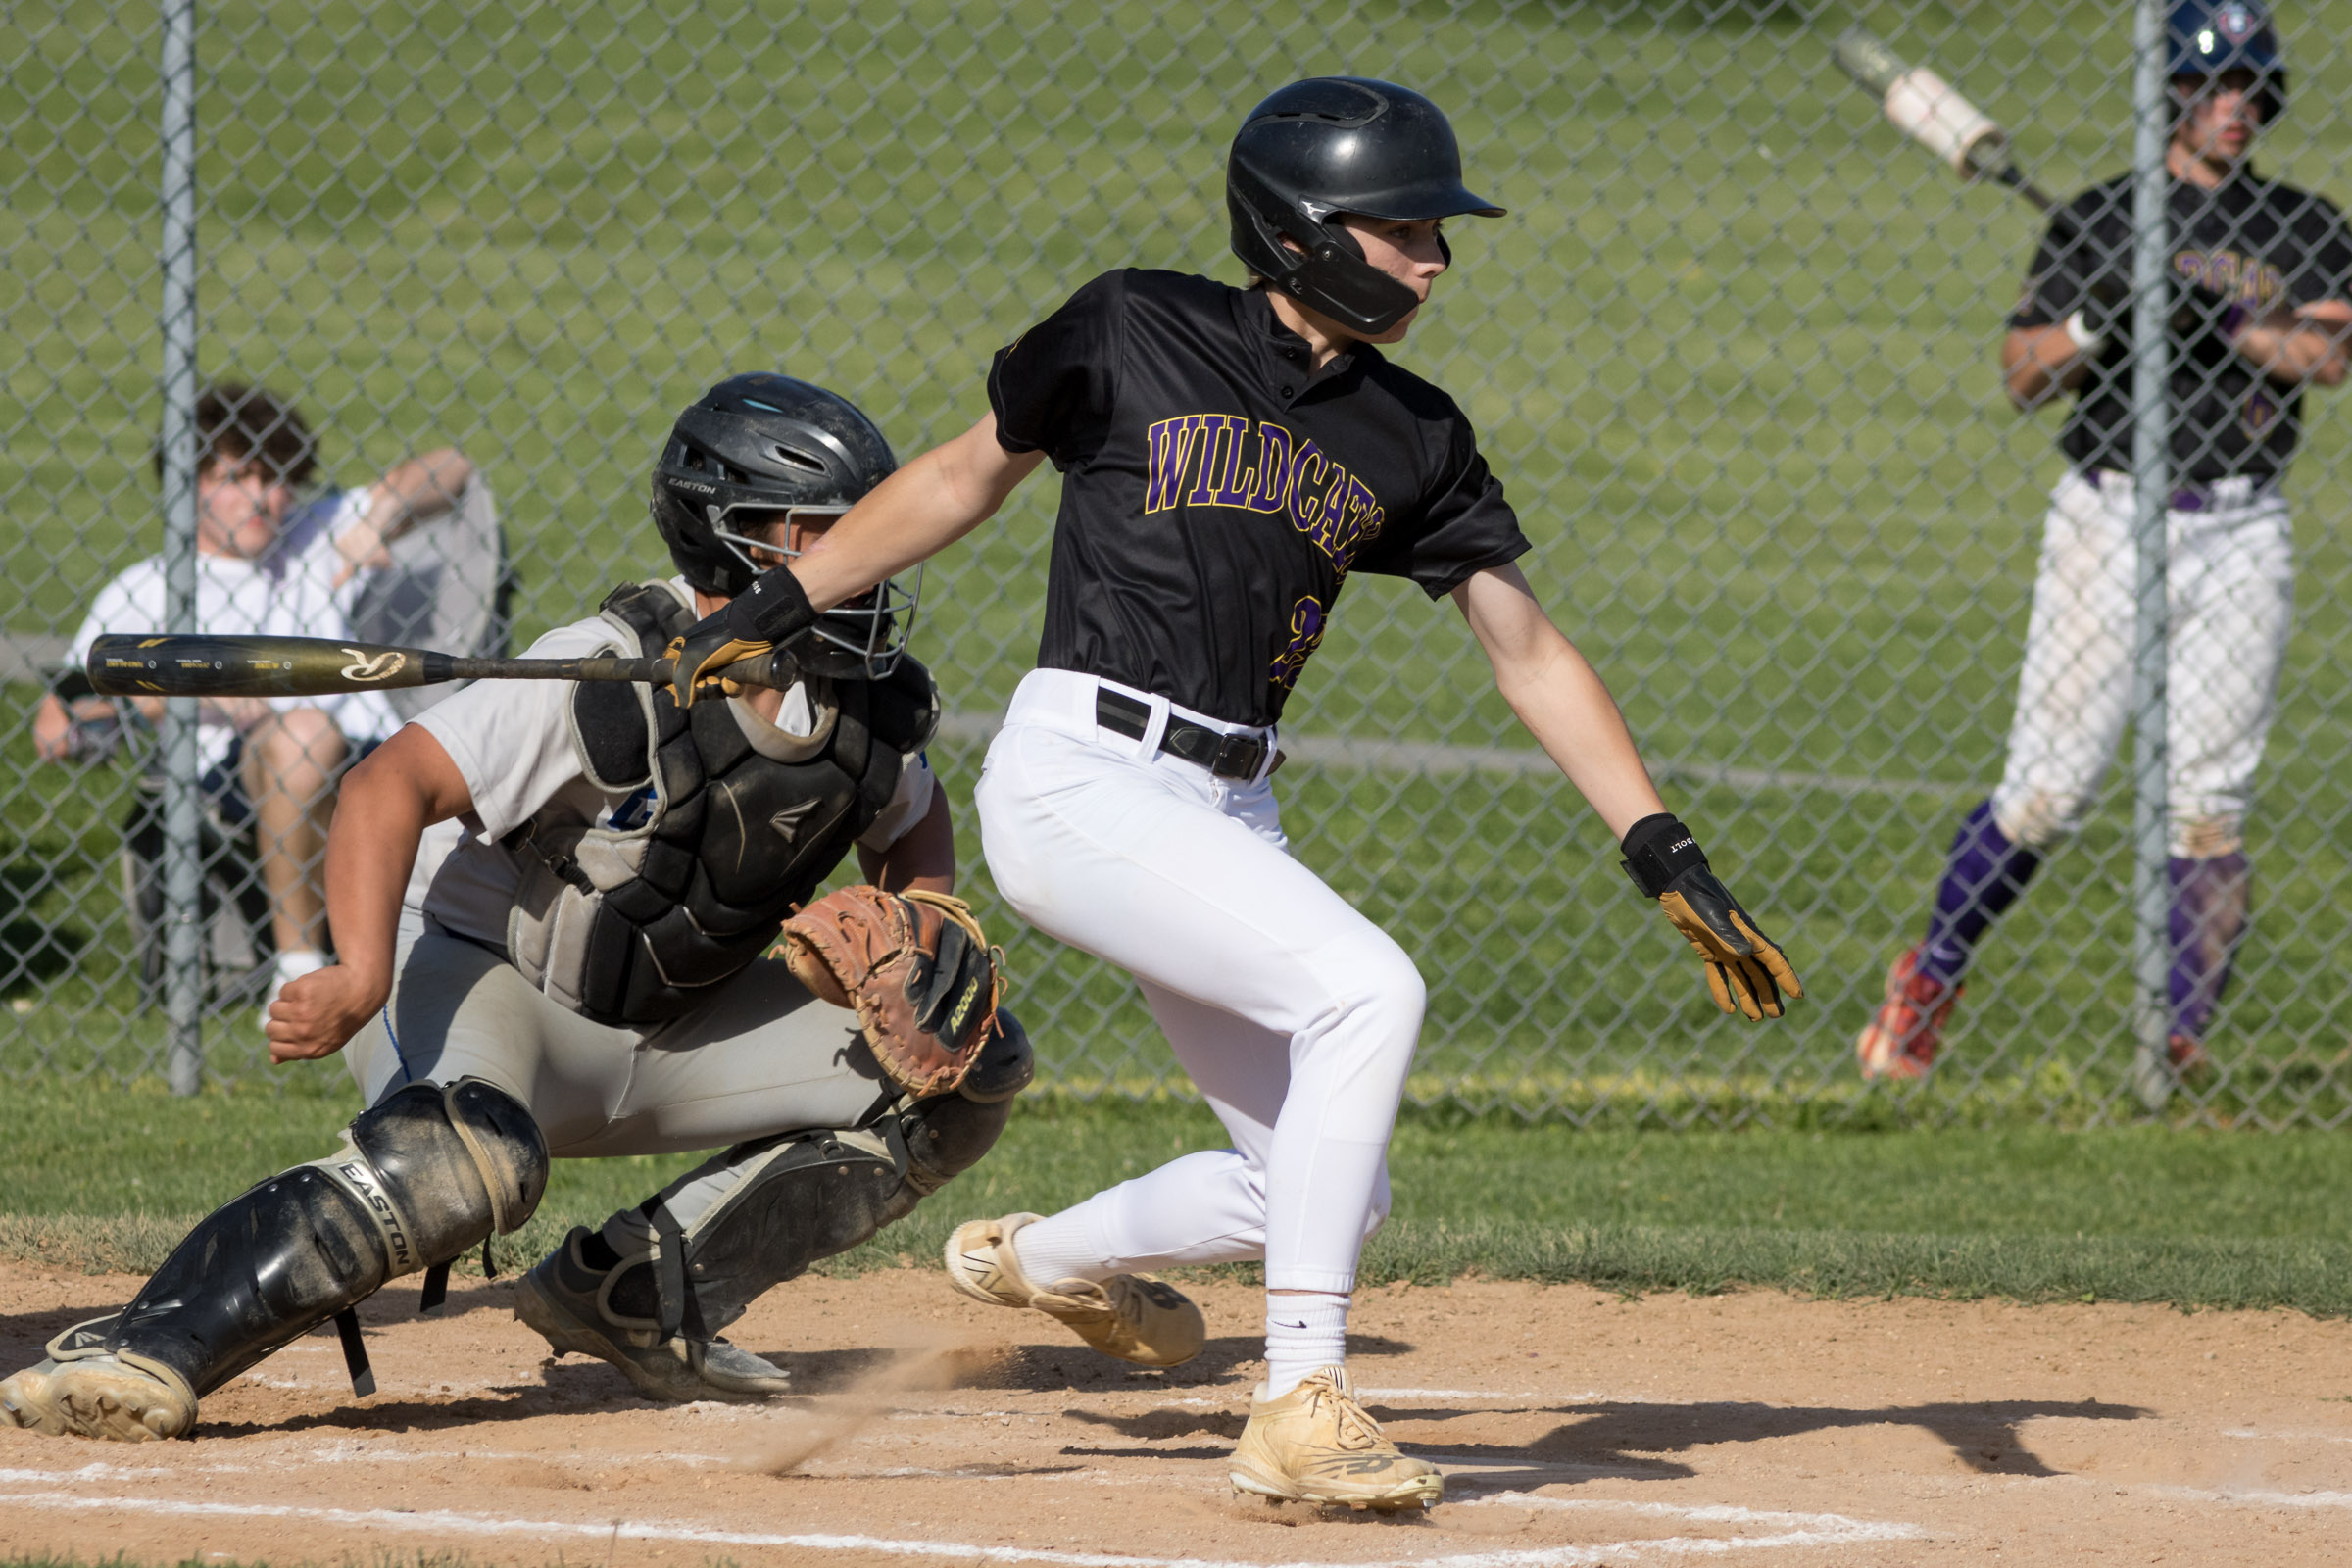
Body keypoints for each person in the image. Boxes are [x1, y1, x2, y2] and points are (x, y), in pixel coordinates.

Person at [656, 79, 1803, 1512]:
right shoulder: (1134, 324)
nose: (1436, 260)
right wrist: (787, 594)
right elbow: (965, 475)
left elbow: (1524, 645)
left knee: (1326, 1180)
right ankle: (1301, 1403)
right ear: (1308, 231)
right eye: (1406, 232)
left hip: (1225, 812)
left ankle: (1045, 1261)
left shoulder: (1413, 433)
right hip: (1081, 777)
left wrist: (1658, 841)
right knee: (1367, 993)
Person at [0, 373, 1030, 1444]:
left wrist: (921, 920)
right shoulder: (606, 671)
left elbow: (911, 816)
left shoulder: (857, 696)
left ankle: (640, 1293)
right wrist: (354, 971)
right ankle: (145, 1342)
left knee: (966, 1069)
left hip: (665, 1029)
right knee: (467, 1160)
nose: (864, 554)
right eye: (820, 531)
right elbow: (385, 784)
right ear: (729, 544)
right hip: (477, 973)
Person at [1856, 0, 2352, 1084]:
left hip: (2243, 526)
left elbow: (2326, 357)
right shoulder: (2098, 220)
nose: (2236, 108)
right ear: (2170, 93)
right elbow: (2024, 378)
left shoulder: (2307, 224)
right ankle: (1930, 980)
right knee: (2050, 789)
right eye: (2214, 85)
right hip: (2107, 517)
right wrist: (2107, 318)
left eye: (2252, 88)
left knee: (2209, 806)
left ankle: (2174, 1049)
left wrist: (2212, 316)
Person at [32, 383, 480, 1017]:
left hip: (375, 755)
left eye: (275, 477)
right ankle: (299, 968)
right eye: (236, 477)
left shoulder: (316, 533)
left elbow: (451, 468)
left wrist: (376, 520)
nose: (262, 498)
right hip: (240, 778)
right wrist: (200, 687)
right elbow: (56, 731)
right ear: (186, 487)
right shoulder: (145, 589)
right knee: (301, 731)